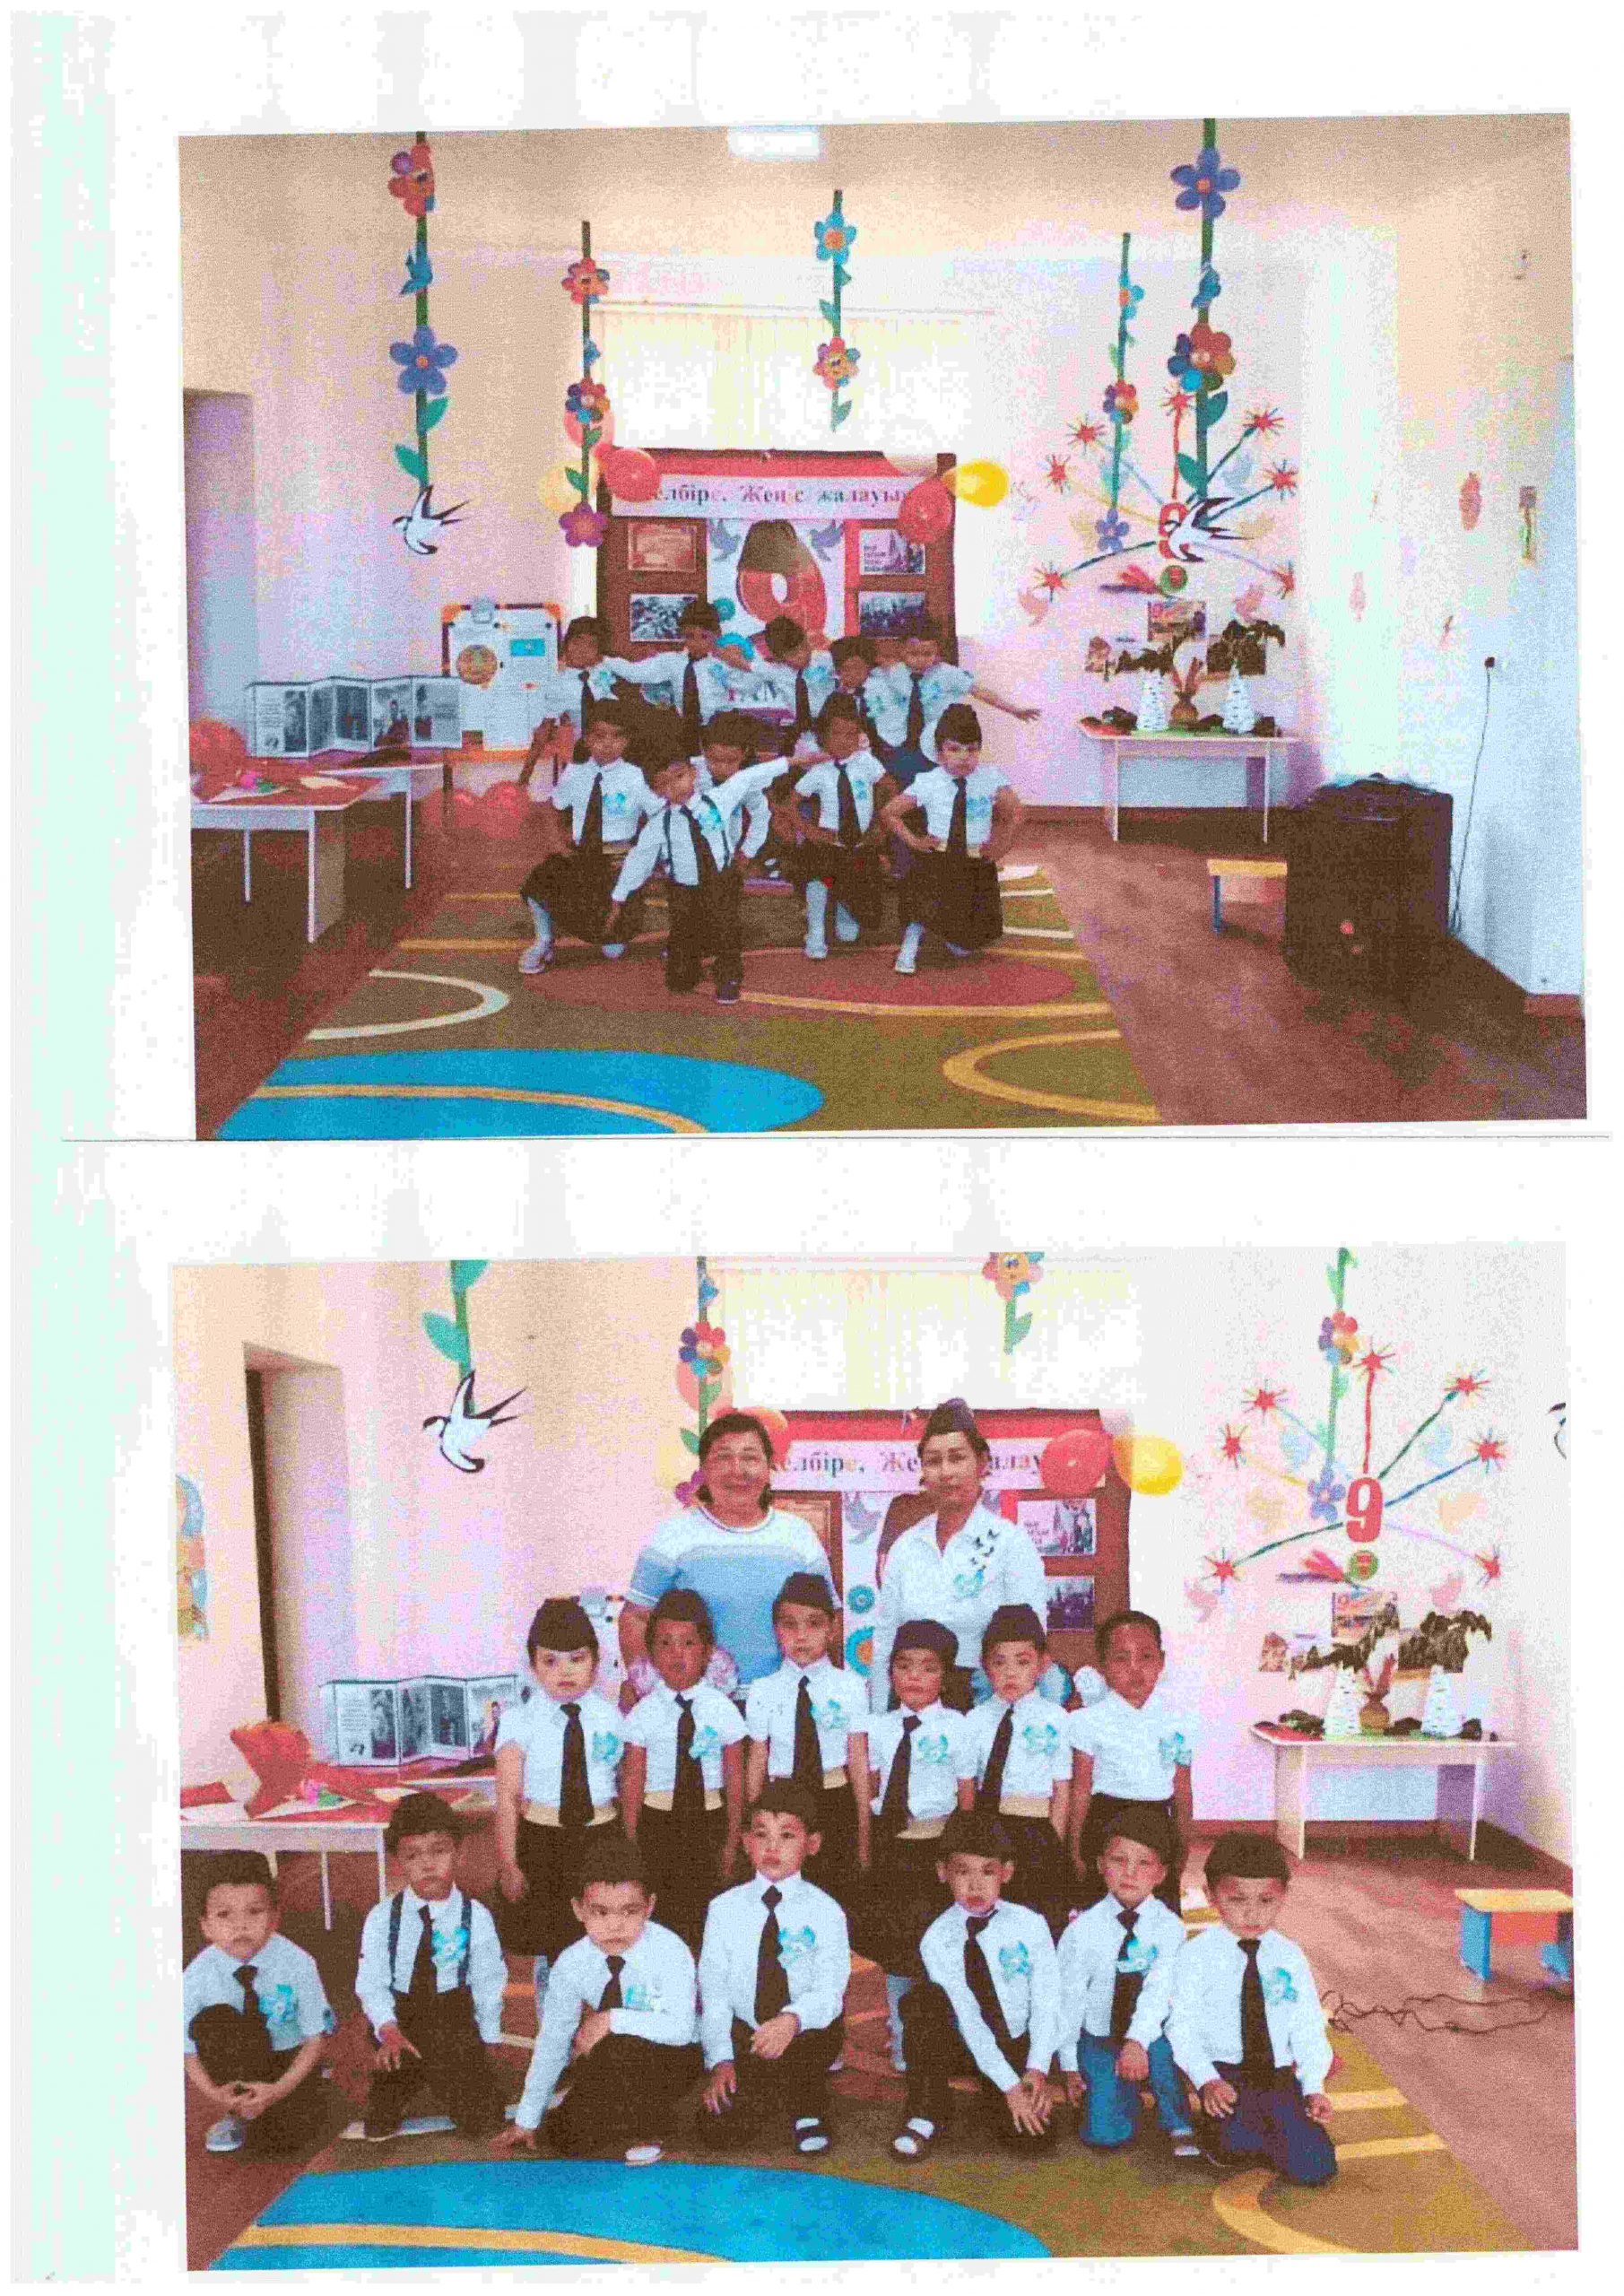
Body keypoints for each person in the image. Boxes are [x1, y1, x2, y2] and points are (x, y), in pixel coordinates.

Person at [499, 1833, 702, 2165]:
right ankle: (623, 2113)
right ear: (578, 1909)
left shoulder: (670, 1951)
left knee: (620, 2047)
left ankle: (652, 2123)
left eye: (629, 1911)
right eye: (601, 1912)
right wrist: (527, 2118)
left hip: (675, 2056)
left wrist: (611, 2019)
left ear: (650, 1907)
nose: (615, 1925)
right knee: (565, 2138)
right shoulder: (571, 1962)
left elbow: (680, 2029)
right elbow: (553, 2040)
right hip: (610, 2059)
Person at [621, 1413, 835, 1694]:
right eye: (723, 1457)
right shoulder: (671, 1535)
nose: (737, 1470)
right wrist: (654, 1692)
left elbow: (829, 1617)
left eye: (750, 1458)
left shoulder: (798, 1535)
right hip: (699, 1707)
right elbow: (636, 1618)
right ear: (704, 1469)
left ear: (768, 1467)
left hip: (786, 1702)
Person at [1167, 1833, 1337, 2186]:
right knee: (1234, 2146)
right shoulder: (1195, 1956)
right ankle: (1249, 2127)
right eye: (1237, 1899)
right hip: (1224, 2072)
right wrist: (1206, 2079)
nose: (1252, 1913)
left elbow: (1307, 2024)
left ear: (1283, 1896)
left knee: (1317, 2167)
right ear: (1211, 1896)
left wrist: (1313, 2086)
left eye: (1266, 1900)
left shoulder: (1289, 1956)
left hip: (1275, 2073)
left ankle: (1274, 2125)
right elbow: (1181, 2027)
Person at [890, 1808, 1059, 2161]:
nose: (975, 1885)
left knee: (1032, 2140)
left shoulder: (1030, 1924)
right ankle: (926, 2109)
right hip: (962, 2043)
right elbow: (967, 2015)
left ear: (1006, 1873)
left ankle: (995, 2093)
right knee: (923, 2003)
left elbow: (1047, 2000)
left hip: (1016, 2042)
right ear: (943, 1872)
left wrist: (1035, 2069)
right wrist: (1010, 2086)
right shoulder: (938, 1938)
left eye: (988, 1871)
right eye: (962, 1871)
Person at [697, 1785, 852, 2157]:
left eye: (787, 1836)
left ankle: (808, 2105)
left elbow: (830, 1991)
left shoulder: (826, 1911)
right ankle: (768, 2086)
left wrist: (792, 2020)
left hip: (804, 2032)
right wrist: (721, 2060)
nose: (772, 1847)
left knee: (807, 2048)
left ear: (812, 1844)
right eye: (761, 1834)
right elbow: (714, 1993)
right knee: (718, 2131)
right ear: (745, 1842)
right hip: (748, 2033)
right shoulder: (723, 1909)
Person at [867, 1398, 1048, 1712]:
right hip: (914, 1704)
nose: (946, 1472)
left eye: (957, 1458)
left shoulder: (1010, 1543)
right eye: (933, 1461)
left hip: (987, 1702)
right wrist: (880, 1716)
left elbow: (1031, 1640)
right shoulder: (906, 1547)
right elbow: (885, 1641)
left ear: (982, 1463)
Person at [856, 1618, 977, 2070]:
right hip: (894, 1848)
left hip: (937, 1849)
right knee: (897, 1948)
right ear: (890, 1674)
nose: (914, 1677)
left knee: (941, 1945)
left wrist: (960, 1856)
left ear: (945, 1676)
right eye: (904, 1666)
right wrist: (868, 1848)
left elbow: (966, 1798)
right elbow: (871, 1791)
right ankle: (903, 2035)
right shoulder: (879, 1728)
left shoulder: (957, 1728)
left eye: (928, 1668)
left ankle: (949, 2035)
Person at [355, 1792, 507, 2142]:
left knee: (483, 2121)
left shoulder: (476, 1917)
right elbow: (372, 1982)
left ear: (459, 1852)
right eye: (413, 1855)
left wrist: (489, 2037)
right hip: (401, 2019)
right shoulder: (381, 1918)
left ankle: (454, 2076)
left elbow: (488, 1980)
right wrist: (388, 2030)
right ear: (398, 1862)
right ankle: (398, 2081)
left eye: (439, 1851)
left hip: (452, 2018)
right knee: (381, 2111)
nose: (427, 1864)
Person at [494, 1599, 626, 1987]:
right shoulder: (519, 1721)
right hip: (543, 1843)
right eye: (550, 1661)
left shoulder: (612, 1718)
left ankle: (601, 2012)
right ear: (533, 1665)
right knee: (551, 1944)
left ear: (595, 1661)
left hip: (601, 1837)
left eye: (576, 1659)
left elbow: (623, 1783)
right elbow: (507, 1800)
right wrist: (509, 1863)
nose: (564, 1671)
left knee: (603, 1937)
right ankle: (553, 2016)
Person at [1056, 1812, 1200, 2156]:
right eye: (1119, 1860)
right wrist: (1069, 2066)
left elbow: (1158, 1993)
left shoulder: (1169, 1928)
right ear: (1100, 1865)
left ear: (1161, 1874)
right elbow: (1069, 2000)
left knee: (1165, 2052)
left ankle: (1177, 2119)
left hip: (1151, 2032)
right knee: (1104, 2136)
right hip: (1100, 2036)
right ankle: (1121, 2095)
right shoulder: (1081, 1931)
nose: (1130, 1872)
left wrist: (1137, 2041)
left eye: (1143, 1863)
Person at [183, 1852, 334, 2156]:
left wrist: (279, 2089)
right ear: (206, 1926)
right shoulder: (195, 1976)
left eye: (254, 1912)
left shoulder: (298, 1963)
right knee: (213, 2020)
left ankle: (310, 2086)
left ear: (274, 1918)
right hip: (235, 2066)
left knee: (288, 2140)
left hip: (287, 2058)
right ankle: (238, 2109)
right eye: (224, 1915)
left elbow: (315, 2038)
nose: (240, 1925)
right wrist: (216, 2094)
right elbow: (186, 2050)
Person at [621, 1587, 747, 1950]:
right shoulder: (642, 1714)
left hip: (709, 1825)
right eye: (665, 1644)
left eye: (688, 1643)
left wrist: (731, 1841)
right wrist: (631, 1841)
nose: (677, 1653)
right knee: (663, 1922)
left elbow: (735, 1781)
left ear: (707, 1652)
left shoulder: (723, 1710)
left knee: (709, 1921)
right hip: (657, 1828)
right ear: (651, 1654)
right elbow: (633, 1782)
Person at [745, 1572, 869, 1904]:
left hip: (835, 1801)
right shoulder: (762, 1690)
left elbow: (858, 1761)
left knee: (836, 1895)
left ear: (832, 1628)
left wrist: (863, 1834)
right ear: (776, 1630)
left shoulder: (850, 1687)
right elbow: (757, 1761)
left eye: (814, 1624)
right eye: (790, 1625)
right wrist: (751, 1825)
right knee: (784, 1896)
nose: (801, 1636)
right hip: (781, 1806)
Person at [881, 704, 1026, 977]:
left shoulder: (990, 778)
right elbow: (890, 813)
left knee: (965, 946)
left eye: (971, 749)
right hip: (938, 858)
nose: (963, 757)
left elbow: (1017, 813)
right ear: (939, 753)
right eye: (954, 749)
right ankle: (911, 940)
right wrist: (914, 842)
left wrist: (1001, 847)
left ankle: (954, 933)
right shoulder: (929, 781)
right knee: (923, 903)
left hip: (974, 863)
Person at [1068, 1609, 1194, 1918]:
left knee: (1157, 1920)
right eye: (1121, 1659)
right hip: (1105, 1822)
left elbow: (1182, 1789)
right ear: (1103, 1665)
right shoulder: (1087, 1721)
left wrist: (1182, 1848)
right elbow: (1081, 1790)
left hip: (1158, 1825)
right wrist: (1075, 1847)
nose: (1135, 1669)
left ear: (1161, 1661)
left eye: (1146, 1657)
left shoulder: (1178, 1721)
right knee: (1101, 1918)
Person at [517, 703, 660, 973]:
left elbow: (660, 815)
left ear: (627, 740)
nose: (607, 744)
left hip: (617, 863)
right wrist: (558, 843)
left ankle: (611, 929)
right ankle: (544, 940)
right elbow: (553, 806)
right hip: (582, 856)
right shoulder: (575, 772)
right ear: (586, 739)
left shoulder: (635, 776)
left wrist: (643, 855)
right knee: (539, 881)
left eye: (616, 736)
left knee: (612, 950)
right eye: (599, 736)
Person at [602, 756, 751, 1004]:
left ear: (693, 774)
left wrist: (792, 760)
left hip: (720, 881)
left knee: (726, 927)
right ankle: (688, 961)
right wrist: (619, 897)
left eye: (679, 777)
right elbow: (639, 860)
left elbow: (753, 777)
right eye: (664, 783)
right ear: (656, 792)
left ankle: (729, 974)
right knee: (681, 967)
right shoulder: (660, 823)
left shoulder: (716, 800)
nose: (674, 787)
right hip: (683, 887)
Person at [962, 1604, 1073, 1936]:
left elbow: (1062, 1790)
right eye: (999, 1662)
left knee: (1039, 1921)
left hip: (1037, 1832)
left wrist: (1054, 1842)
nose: (1010, 1673)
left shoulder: (1055, 1719)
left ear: (1043, 1664)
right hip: (989, 1828)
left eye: (1022, 1662)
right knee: (993, 1922)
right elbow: (968, 1786)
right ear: (985, 1666)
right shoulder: (974, 1721)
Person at [867, 616, 1040, 791]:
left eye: (927, 654)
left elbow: (979, 692)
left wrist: (1014, 710)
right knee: (903, 788)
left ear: (937, 652)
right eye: (913, 654)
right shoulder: (893, 671)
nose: (920, 659)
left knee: (936, 789)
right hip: (901, 745)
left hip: (935, 745)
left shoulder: (948, 674)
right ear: (902, 651)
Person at [786, 694, 899, 959]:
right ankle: (815, 929)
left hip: (859, 845)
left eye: (851, 735)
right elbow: (789, 804)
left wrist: (881, 824)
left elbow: (891, 788)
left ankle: (845, 908)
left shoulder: (866, 762)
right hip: (830, 845)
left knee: (856, 926)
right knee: (819, 875)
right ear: (823, 737)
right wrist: (810, 831)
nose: (844, 741)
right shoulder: (819, 770)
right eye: (836, 734)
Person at [604, 600, 746, 753]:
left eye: (704, 636)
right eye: (690, 636)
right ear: (682, 635)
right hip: (687, 730)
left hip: (723, 728)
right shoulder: (672, 662)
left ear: (717, 634)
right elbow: (635, 673)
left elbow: (748, 685)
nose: (697, 643)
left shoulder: (725, 662)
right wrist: (603, 659)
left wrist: (737, 665)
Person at [517, 613, 621, 785]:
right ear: (566, 644)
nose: (583, 649)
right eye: (577, 641)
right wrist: (525, 776)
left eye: (591, 644)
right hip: (588, 758)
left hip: (621, 753)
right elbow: (544, 730)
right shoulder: (558, 685)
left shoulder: (606, 671)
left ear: (598, 651)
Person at [752, 615, 838, 750]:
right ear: (779, 658)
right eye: (793, 654)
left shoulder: (827, 661)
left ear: (806, 638)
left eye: (804, 647)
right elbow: (739, 661)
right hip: (805, 737)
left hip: (836, 730)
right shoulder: (775, 671)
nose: (802, 655)